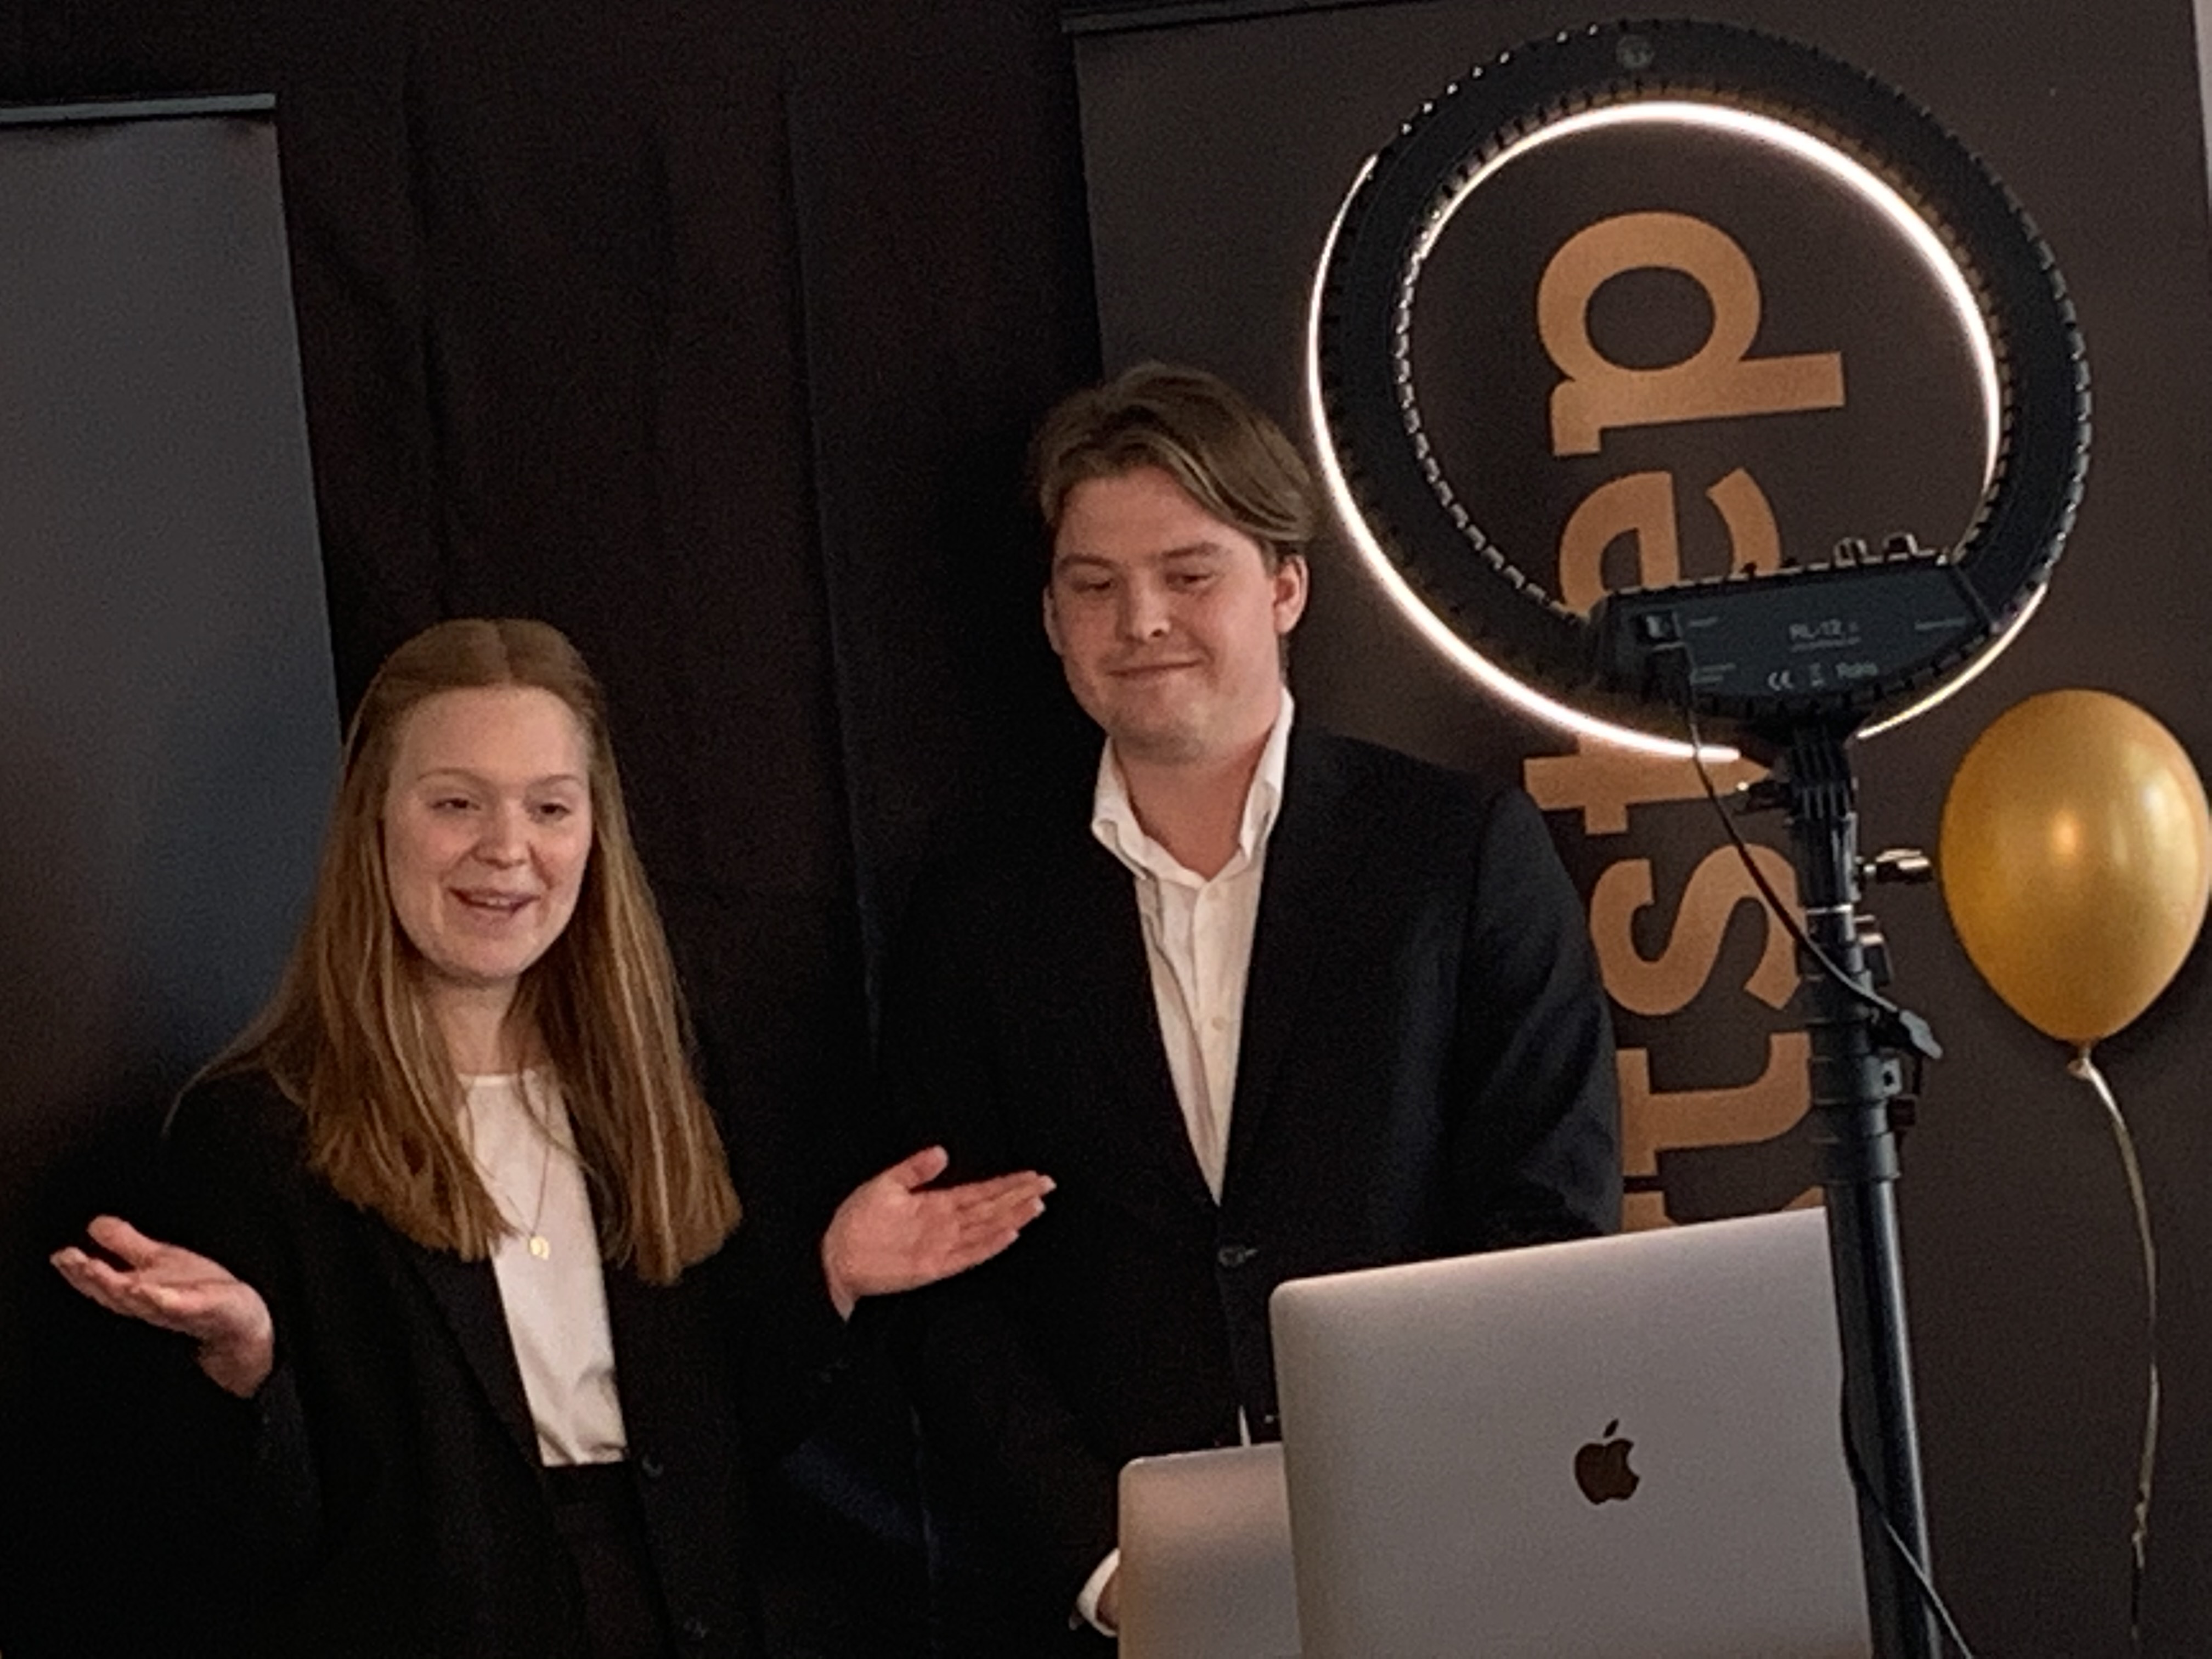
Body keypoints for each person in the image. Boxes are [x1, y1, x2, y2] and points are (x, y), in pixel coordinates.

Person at [49, 617, 1051, 1658]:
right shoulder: (262, 1129)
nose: (507, 848)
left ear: (594, 831)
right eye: (456, 804)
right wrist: (248, 1367)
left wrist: (832, 1277)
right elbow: (242, 1544)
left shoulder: (660, 1085)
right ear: (373, 821)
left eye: (549, 807)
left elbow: (723, 1444)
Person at [881, 363, 1621, 1651]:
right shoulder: (975, 910)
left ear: (1286, 587)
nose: (1141, 621)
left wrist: (1439, 1517)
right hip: (1127, 1607)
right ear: (1050, 617)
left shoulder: (1458, 856)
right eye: (1093, 586)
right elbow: (947, 1284)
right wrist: (1109, 1564)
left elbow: (1549, 1222)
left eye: (1189, 574)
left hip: (1451, 1567)